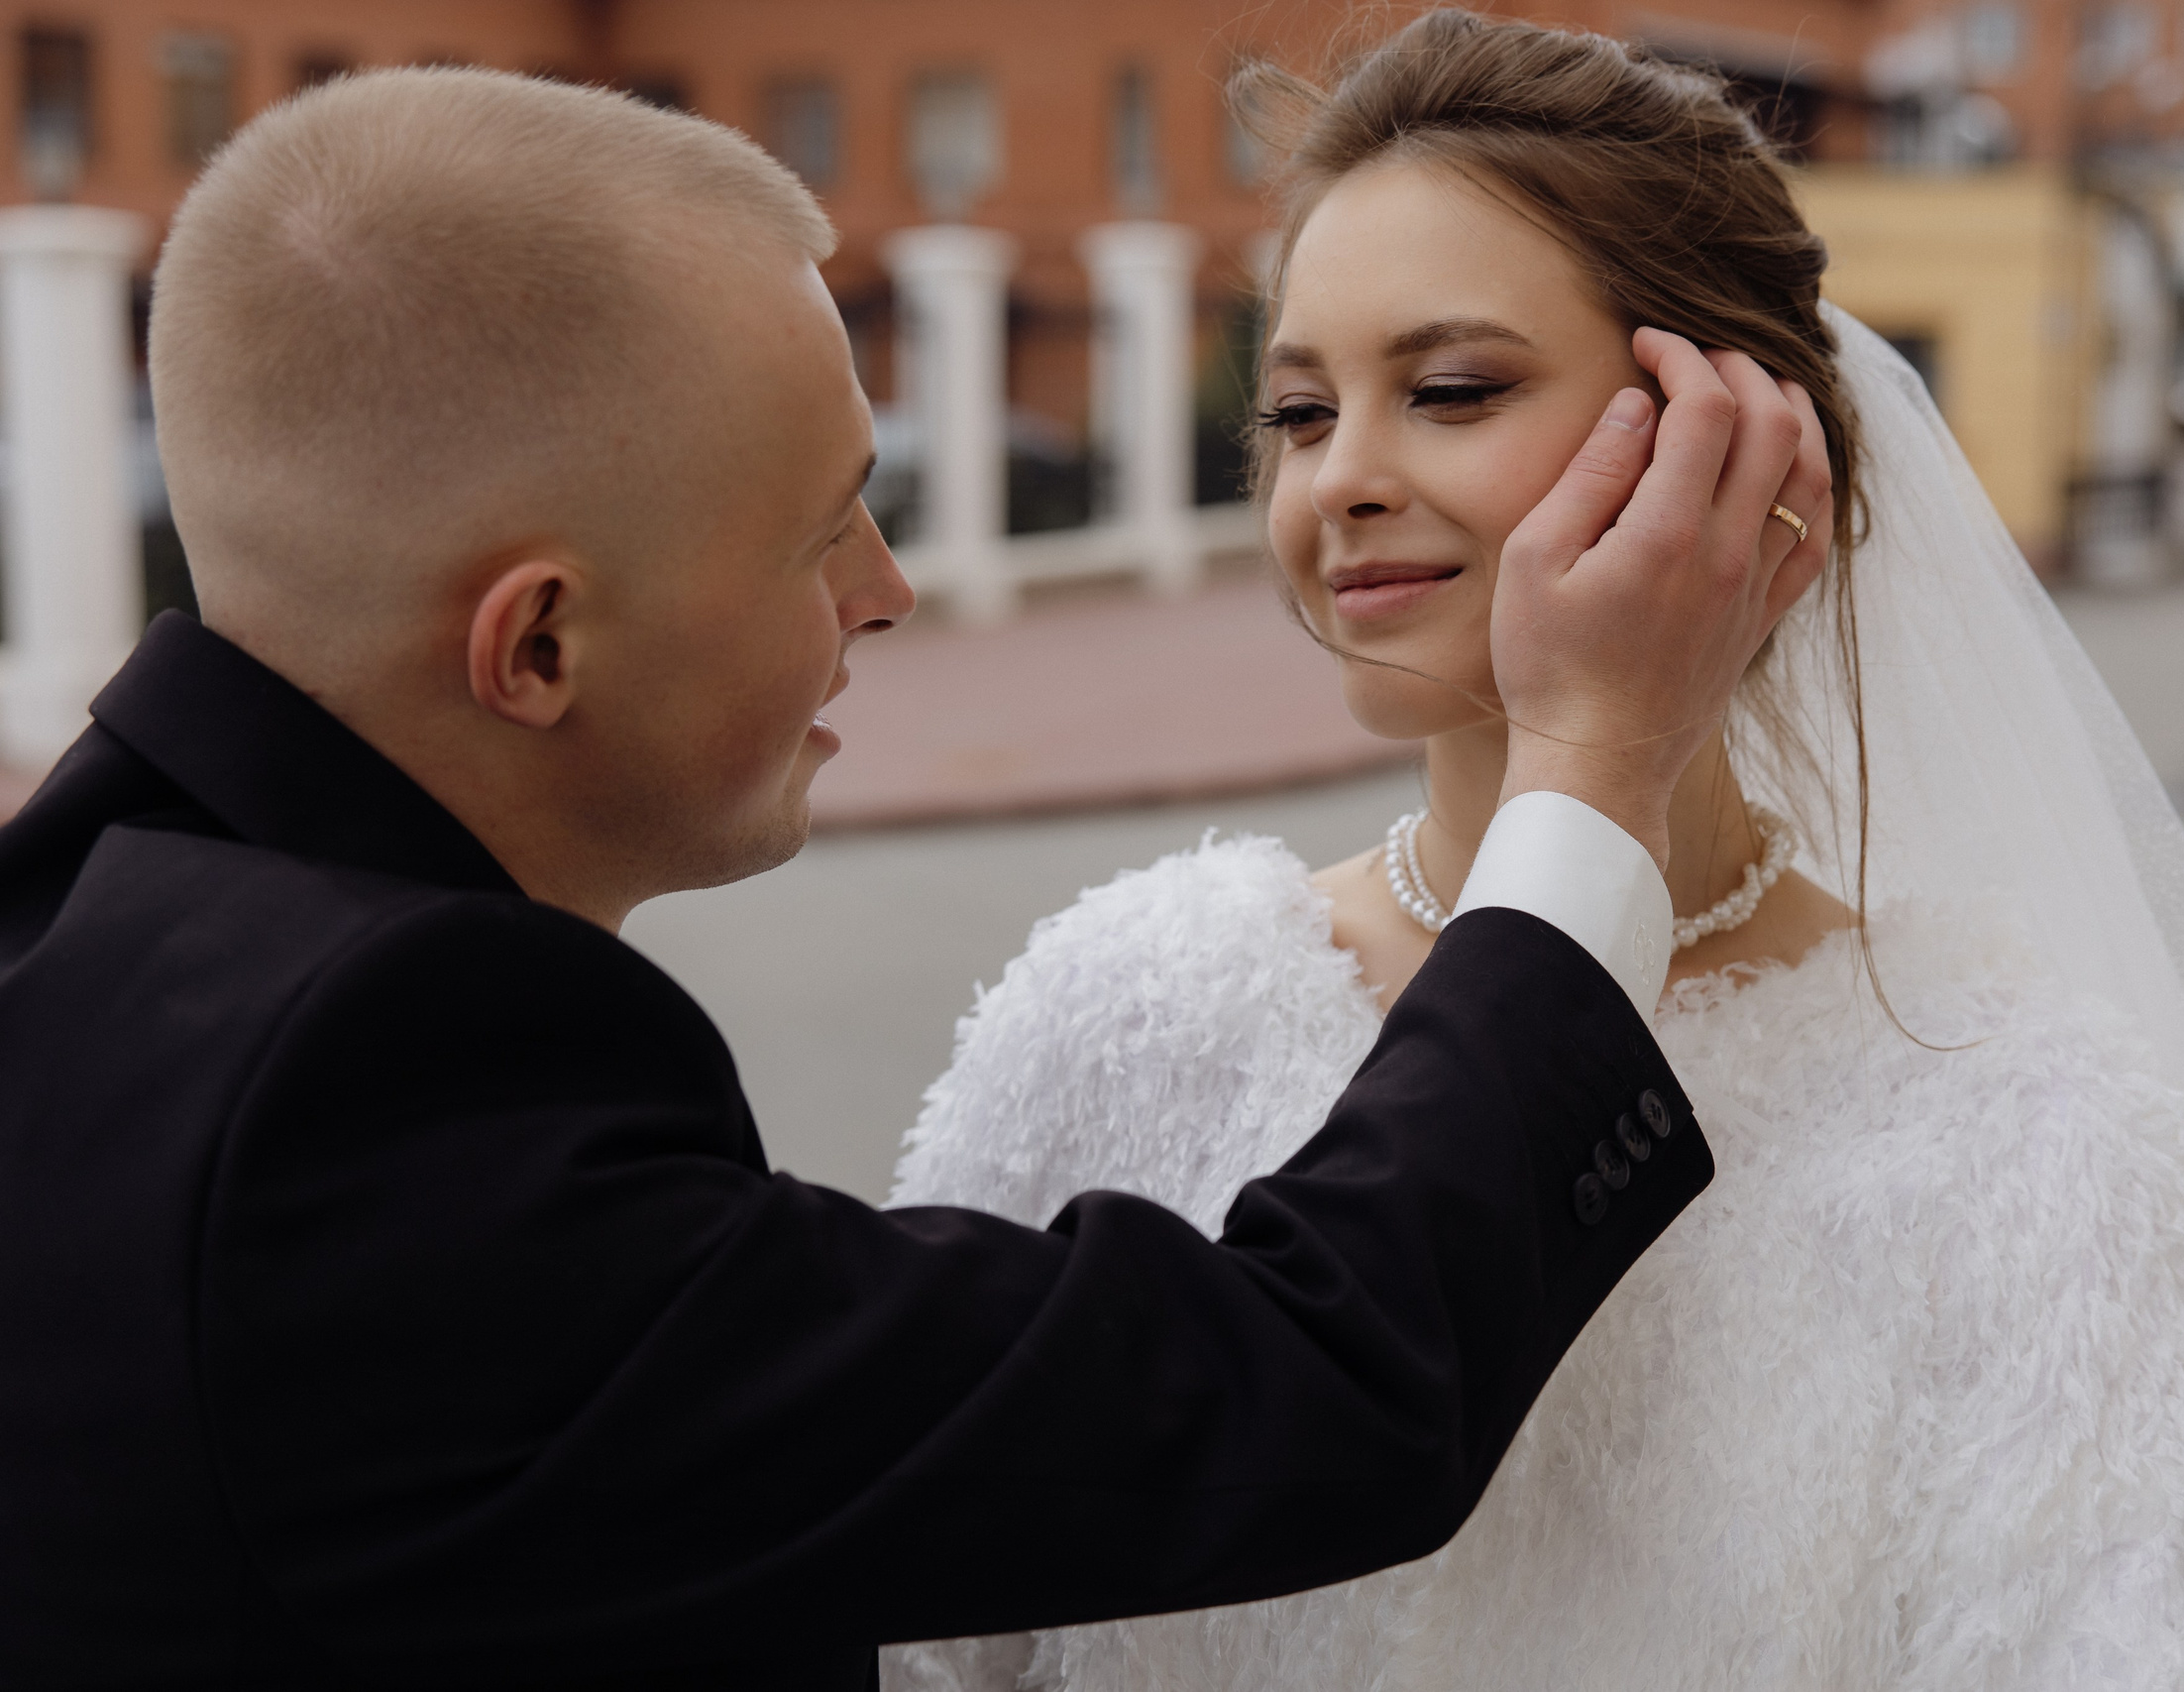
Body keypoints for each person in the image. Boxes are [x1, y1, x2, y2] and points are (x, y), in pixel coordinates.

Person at [0, 65, 1833, 1690]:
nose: (889, 587)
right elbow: (1293, 1385)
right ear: (537, 647)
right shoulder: (373, 1108)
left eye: (1445, 387)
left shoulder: (78, 928)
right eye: (822, 531)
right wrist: (1596, 770)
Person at [884, 15, 2184, 1691]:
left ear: (1735, 445)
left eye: (1451, 391)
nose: (1343, 477)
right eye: (1296, 409)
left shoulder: (2020, 1114)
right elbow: (919, 1621)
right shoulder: (1124, 1007)